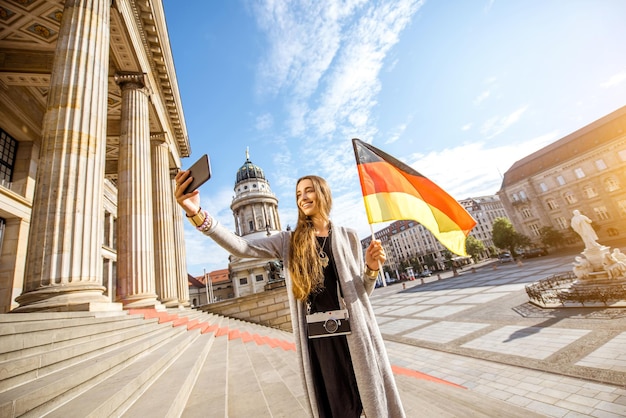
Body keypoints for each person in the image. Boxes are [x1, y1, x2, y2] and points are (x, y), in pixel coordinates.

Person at [175, 171, 405, 418]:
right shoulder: (289, 241)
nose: (303, 197)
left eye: (309, 190)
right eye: (298, 194)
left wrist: (371, 269)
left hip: (357, 335)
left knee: (370, 402)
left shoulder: (348, 236)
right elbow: (241, 246)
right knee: (339, 406)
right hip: (321, 341)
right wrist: (197, 214)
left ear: (324, 193)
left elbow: (361, 293)